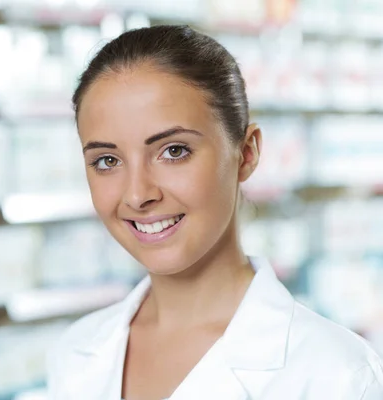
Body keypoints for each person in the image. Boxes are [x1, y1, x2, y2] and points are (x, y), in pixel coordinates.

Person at [45, 25, 383, 400]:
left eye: (173, 151)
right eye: (107, 160)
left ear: (247, 154)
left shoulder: (337, 376)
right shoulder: (75, 354)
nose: (138, 195)